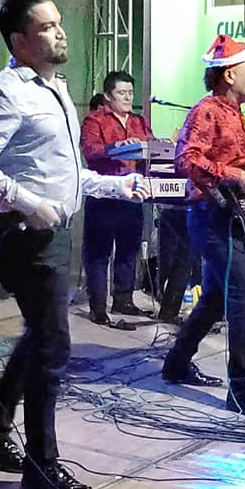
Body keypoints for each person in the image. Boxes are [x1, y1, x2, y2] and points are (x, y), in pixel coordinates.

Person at [0, 0, 149, 489]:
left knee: (38, 340)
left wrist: (117, 186)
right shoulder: (7, 93)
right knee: (52, 347)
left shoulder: (55, 89)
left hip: (51, 234)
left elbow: (64, 174)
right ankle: (41, 466)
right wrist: (27, 203)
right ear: (19, 40)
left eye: (59, 23)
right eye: (46, 27)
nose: (60, 32)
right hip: (27, 239)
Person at [158, 34, 245, 421]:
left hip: (227, 216)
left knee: (214, 298)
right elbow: (186, 160)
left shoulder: (237, 117)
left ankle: (176, 363)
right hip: (209, 216)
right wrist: (235, 175)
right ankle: (241, 388)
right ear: (229, 75)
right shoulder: (207, 112)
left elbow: (240, 168)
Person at [80, 70, 155, 328]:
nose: (127, 98)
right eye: (122, 93)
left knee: (129, 249)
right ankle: (98, 307)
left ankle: (123, 299)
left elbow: (150, 147)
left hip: (133, 195)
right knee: (99, 253)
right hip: (104, 194)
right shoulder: (95, 120)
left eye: (130, 93)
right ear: (108, 96)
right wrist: (117, 148)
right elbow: (90, 151)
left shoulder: (139, 121)